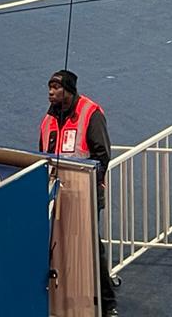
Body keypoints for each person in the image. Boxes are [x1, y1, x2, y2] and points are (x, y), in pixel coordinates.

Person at [39, 69, 116, 316]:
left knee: (91, 247)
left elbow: (102, 156)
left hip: (87, 194)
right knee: (57, 245)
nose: (50, 92)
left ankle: (107, 302)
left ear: (69, 91)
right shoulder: (48, 120)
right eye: (49, 87)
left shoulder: (90, 114)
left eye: (56, 88)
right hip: (56, 195)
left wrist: (89, 184)